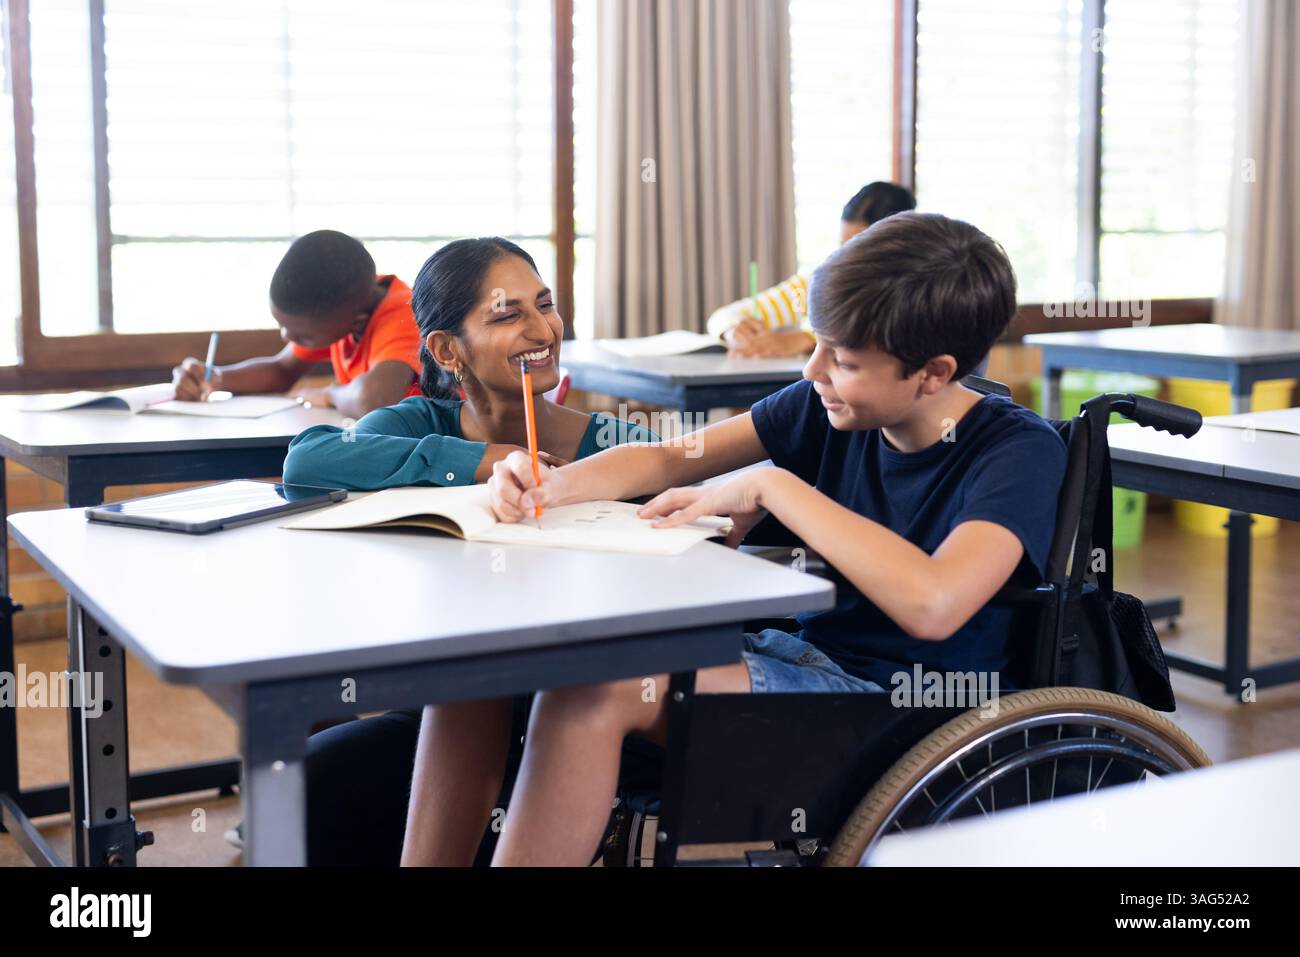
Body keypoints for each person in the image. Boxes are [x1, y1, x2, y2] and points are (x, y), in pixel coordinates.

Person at [404, 211, 1067, 866]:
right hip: (798, 659)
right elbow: (669, 458)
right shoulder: (826, 403)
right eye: (816, 343)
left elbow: (936, 602)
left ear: (934, 372)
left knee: (591, 692)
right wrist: (544, 485)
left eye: (843, 359)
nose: (812, 371)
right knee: (485, 675)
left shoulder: (1017, 451)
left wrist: (774, 486)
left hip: (909, 711)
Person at [171, 230, 421, 419]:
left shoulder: (403, 314)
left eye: (304, 337)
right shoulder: (346, 301)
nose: (286, 338)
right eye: (282, 326)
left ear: (356, 321)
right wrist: (215, 377)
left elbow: (374, 399)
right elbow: (281, 370)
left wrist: (329, 393)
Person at [705, 181, 917, 358]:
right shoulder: (817, 280)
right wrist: (733, 331)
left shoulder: (917, 292)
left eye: (860, 247)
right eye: (844, 245)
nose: (849, 257)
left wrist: (808, 338)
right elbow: (724, 316)